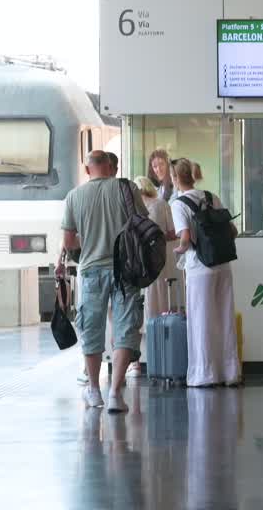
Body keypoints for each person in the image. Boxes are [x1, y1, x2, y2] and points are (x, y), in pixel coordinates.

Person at [61, 150, 148, 412]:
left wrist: (87, 246)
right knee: (125, 330)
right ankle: (115, 394)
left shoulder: (74, 196)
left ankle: (94, 391)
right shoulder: (127, 188)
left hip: (90, 272)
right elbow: (144, 224)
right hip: (126, 271)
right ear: (110, 166)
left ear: (88, 170)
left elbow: (68, 242)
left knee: (92, 330)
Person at [170, 158, 242, 388]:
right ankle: (230, 373)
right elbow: (233, 231)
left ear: (175, 178)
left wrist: (177, 250)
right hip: (222, 265)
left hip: (199, 269)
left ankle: (204, 374)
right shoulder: (211, 197)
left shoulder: (179, 204)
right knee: (225, 318)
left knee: (201, 320)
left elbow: (185, 239)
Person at [134, 175, 178, 317]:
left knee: (146, 292)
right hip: (161, 256)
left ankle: (148, 325)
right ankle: (163, 321)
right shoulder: (162, 204)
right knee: (163, 290)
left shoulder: (133, 209)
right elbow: (172, 234)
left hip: (140, 259)